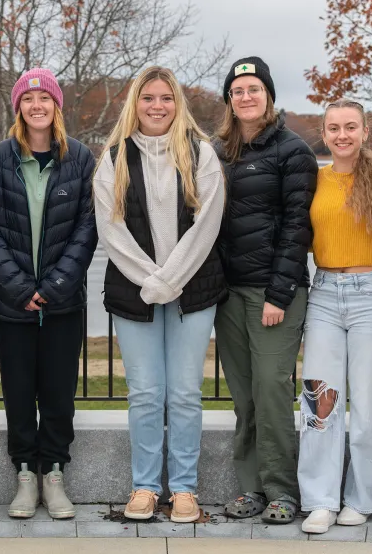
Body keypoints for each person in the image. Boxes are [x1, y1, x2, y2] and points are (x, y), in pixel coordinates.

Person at [94, 66, 226, 524]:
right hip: (136, 293)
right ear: (136, 102)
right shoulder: (113, 157)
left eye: (166, 98)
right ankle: (146, 487)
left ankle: (185, 489)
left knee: (186, 393)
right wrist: (151, 281)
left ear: (177, 103)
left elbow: (208, 224)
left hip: (193, 292)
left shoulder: (200, 153)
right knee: (146, 393)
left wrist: (171, 279)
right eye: (148, 97)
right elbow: (110, 231)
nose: (157, 106)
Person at [0, 68, 98, 519]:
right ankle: (26, 473)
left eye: (44, 99)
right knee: (18, 391)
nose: (37, 106)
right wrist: (19, 287)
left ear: (56, 106)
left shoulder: (81, 159)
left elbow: (88, 229)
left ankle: (55, 475)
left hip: (63, 304)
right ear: (18, 108)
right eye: (28, 100)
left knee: (59, 393)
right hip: (12, 305)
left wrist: (53, 287)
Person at [214, 56, 318, 524]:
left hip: (275, 294)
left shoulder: (292, 150)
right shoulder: (218, 151)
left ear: (269, 95)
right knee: (244, 395)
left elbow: (299, 227)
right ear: (230, 101)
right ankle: (251, 487)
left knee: (273, 391)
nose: (246, 97)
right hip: (228, 295)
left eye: (254, 88)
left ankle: (283, 490)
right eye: (237, 91)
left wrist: (279, 294)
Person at [296, 99, 372, 534]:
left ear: (365, 131)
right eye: (334, 127)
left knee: (369, 401)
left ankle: (361, 497)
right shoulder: (313, 181)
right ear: (324, 132)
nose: (342, 135)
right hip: (323, 294)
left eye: (350, 127)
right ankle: (320, 499)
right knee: (321, 400)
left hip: (371, 294)